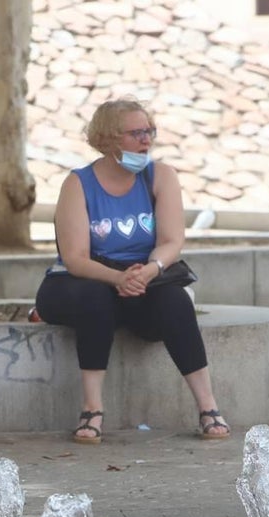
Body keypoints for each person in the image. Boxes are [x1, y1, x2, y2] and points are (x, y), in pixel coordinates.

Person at [33, 97, 230, 444]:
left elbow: (172, 240)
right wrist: (117, 278)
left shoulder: (161, 176)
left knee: (175, 302)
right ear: (109, 139)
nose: (146, 140)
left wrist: (150, 270)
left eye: (149, 131)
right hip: (85, 279)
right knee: (96, 299)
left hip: (145, 278)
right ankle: (92, 409)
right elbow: (75, 257)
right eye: (136, 133)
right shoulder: (78, 184)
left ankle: (208, 406)